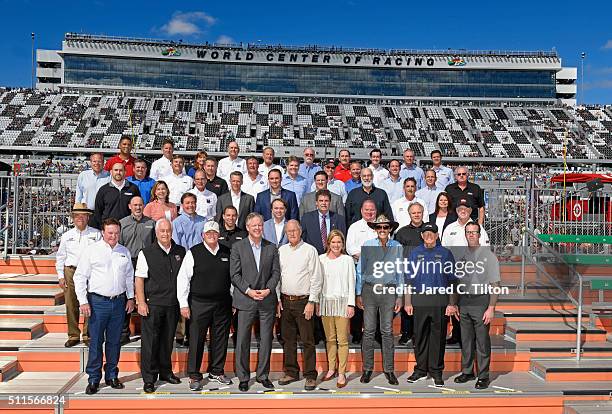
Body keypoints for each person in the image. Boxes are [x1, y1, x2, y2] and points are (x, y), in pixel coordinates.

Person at [74, 218, 135, 395]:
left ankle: (112, 375)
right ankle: (93, 378)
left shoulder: (124, 251)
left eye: (116, 233)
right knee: (96, 342)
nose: (113, 236)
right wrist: (83, 301)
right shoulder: (91, 251)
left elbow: (128, 277)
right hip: (97, 302)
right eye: (110, 233)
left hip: (118, 302)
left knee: (115, 341)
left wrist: (130, 298)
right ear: (103, 232)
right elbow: (80, 277)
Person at [177, 221, 234, 391]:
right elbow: (183, 279)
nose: (211, 235)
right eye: (208, 233)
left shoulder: (226, 252)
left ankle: (216, 371)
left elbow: (231, 279)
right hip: (199, 303)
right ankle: (194, 375)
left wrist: (232, 299)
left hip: (222, 304)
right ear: (203, 235)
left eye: (214, 233)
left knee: (220, 339)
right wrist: (183, 304)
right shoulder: (194, 252)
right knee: (196, 339)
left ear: (219, 235)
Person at [230, 213, 281, 392]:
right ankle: (243, 377)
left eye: (260, 225)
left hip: (266, 299)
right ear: (247, 227)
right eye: (254, 226)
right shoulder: (238, 247)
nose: (258, 228)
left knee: (266, 339)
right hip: (246, 299)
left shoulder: (271, 247)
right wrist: (249, 291)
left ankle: (263, 375)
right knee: (243, 339)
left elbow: (276, 273)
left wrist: (268, 289)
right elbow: (234, 275)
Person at [135, 218, 185, 393]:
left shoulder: (181, 251)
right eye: (162, 231)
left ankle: (166, 372)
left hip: (173, 304)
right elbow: (139, 279)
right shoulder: (146, 252)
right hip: (153, 304)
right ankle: (149, 378)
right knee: (150, 342)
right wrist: (141, 302)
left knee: (167, 341)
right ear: (156, 233)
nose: (165, 234)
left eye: (168, 230)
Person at [404, 223, 457, 387]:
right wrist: (407, 301)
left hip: (439, 300)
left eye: (432, 233)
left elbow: (453, 281)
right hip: (419, 299)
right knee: (419, 336)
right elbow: (408, 279)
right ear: (422, 235)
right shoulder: (415, 253)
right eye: (426, 233)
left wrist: (451, 303)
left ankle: (436, 371)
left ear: (437, 234)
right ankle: (420, 370)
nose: (429, 235)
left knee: (438, 337)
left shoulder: (446, 253)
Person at [452, 222, 500, 390]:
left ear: (480, 234)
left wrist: (491, 307)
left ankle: (483, 375)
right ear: (465, 234)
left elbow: (495, 284)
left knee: (482, 341)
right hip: (464, 301)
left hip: (481, 301)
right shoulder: (461, 256)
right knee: (466, 340)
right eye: (468, 232)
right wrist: (454, 303)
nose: (471, 235)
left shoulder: (489, 257)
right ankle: (467, 371)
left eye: (474, 232)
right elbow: (456, 282)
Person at [356, 215, 402, 385]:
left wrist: (400, 295)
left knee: (387, 331)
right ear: (375, 229)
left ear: (390, 229)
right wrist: (358, 293)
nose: (382, 230)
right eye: (379, 227)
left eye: (385, 227)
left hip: (389, 290)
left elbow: (400, 272)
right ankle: (367, 369)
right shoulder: (368, 245)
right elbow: (360, 270)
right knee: (368, 330)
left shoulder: (397, 246)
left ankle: (389, 369)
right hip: (369, 289)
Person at [276, 220, 323, 391]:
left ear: (300, 231)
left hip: (304, 302)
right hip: (286, 301)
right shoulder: (282, 251)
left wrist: (312, 301)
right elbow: (278, 276)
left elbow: (316, 278)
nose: (292, 234)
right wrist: (277, 298)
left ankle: (310, 375)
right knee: (288, 340)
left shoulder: (310, 250)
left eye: (294, 230)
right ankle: (291, 372)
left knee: (307, 340)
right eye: (289, 232)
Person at [55, 203, 101, 348]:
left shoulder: (96, 234)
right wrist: (60, 276)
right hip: (71, 271)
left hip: (90, 272)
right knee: (71, 303)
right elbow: (60, 257)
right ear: (73, 218)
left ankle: (88, 334)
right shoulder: (66, 236)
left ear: (88, 217)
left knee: (90, 302)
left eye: (83, 215)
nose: (80, 218)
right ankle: (73, 335)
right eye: (77, 215)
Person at [317, 230, 355, 388]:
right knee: (330, 339)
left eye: (339, 242)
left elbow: (351, 282)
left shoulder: (347, 260)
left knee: (342, 340)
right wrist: (317, 303)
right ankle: (331, 368)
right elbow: (317, 282)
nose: (336, 245)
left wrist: (351, 304)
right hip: (326, 302)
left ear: (343, 244)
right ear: (328, 243)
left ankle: (341, 372)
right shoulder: (321, 259)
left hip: (342, 303)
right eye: (333, 242)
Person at [119, 196, 155, 345]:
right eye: (135, 205)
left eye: (140, 205)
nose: (138, 207)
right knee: (127, 297)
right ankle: (123, 333)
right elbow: (119, 245)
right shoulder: (122, 223)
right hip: (128, 262)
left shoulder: (151, 223)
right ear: (129, 206)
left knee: (145, 296)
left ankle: (147, 333)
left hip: (146, 263)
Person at [392, 202, 426, 345]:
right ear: (409, 214)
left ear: (423, 213)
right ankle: (406, 333)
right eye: (414, 213)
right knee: (407, 305)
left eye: (419, 212)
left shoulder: (430, 230)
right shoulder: (401, 232)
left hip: (425, 274)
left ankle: (420, 334)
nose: (416, 215)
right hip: (408, 273)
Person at [345, 199, 377, 344]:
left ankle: (375, 332)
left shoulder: (380, 226)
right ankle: (357, 333)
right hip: (359, 269)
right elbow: (350, 248)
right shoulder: (354, 227)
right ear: (361, 211)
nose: (369, 212)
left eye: (372, 210)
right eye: (367, 210)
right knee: (358, 301)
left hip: (377, 271)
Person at [92, 162, 140, 229]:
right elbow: (98, 211)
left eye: (121, 170)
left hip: (128, 228)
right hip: (109, 229)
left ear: (125, 172)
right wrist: (102, 227)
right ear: (111, 172)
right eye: (116, 170)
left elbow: (137, 208)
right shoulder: (103, 190)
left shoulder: (133, 188)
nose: (118, 172)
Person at [301, 189, 347, 254]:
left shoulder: (339, 219)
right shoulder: (307, 218)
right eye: (321, 201)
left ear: (330, 202)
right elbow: (303, 239)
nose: (324, 203)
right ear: (316, 202)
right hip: (313, 256)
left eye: (326, 201)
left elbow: (342, 240)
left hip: (333, 257)